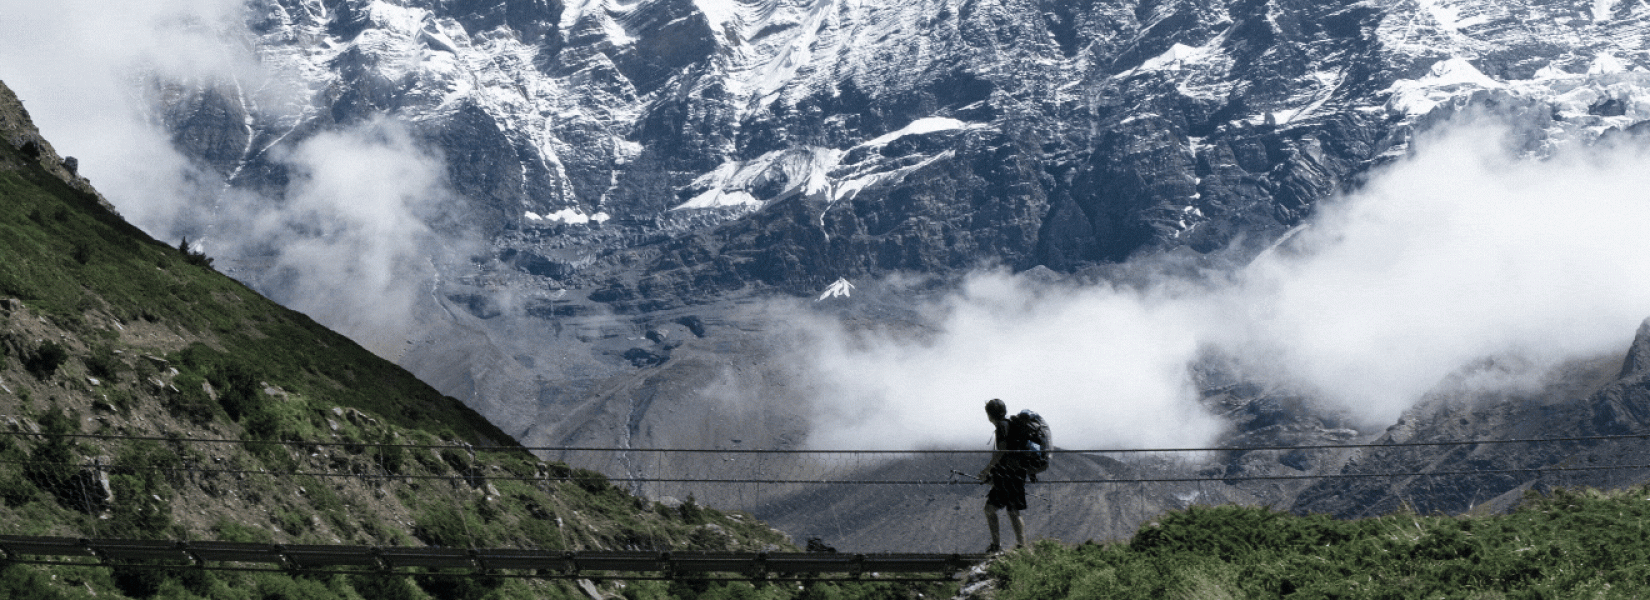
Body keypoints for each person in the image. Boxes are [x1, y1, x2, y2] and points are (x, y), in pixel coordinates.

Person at [977, 398, 1027, 552]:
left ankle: (996, 545)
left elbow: (1002, 450)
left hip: (1007, 476)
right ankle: (1021, 546)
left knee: (989, 509)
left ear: (989, 415)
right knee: (1013, 511)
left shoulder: (1002, 427)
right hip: (1017, 473)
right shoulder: (1011, 425)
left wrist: (987, 470)